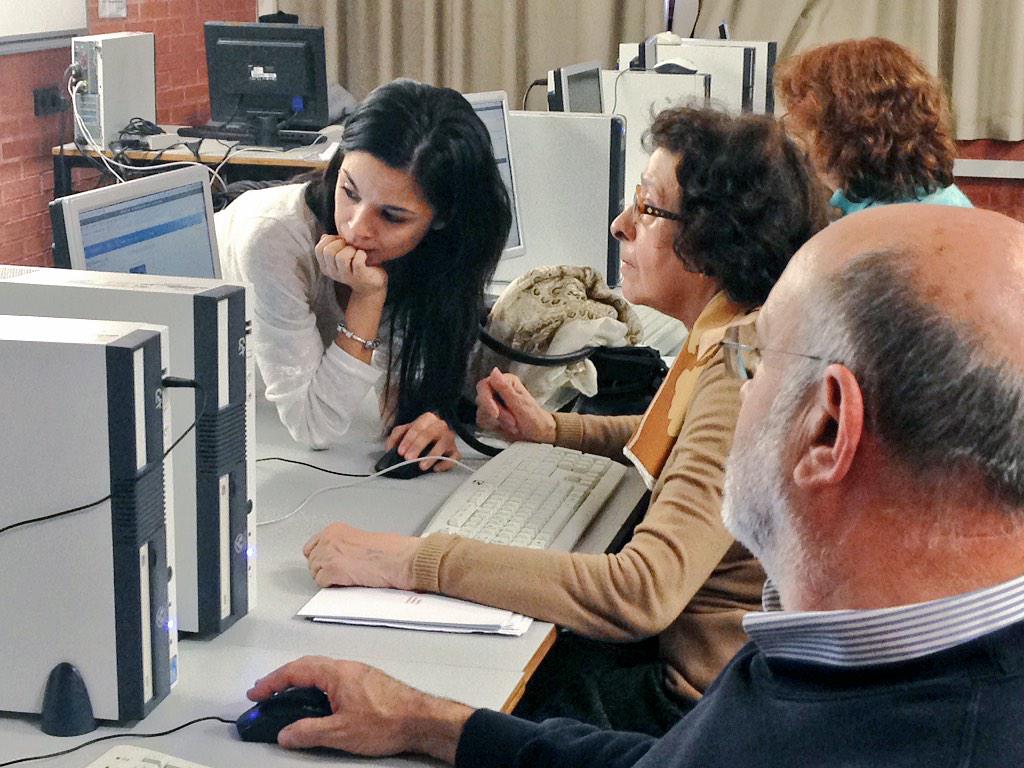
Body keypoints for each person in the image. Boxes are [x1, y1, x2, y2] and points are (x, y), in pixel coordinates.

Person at [246, 203, 1024, 767]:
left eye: (753, 365)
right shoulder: (871, 655)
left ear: (826, 431)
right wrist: (424, 719)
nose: (728, 397)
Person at [300, 106, 829, 734]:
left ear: (715, 238)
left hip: (688, 707)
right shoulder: (736, 326)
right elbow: (680, 444)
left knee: (438, 689)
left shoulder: (736, 373)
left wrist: (410, 562)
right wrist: (554, 432)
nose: (620, 224)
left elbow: (639, 592)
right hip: (717, 678)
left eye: (649, 210)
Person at [216, 79, 512, 464]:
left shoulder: (434, 255)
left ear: (441, 221)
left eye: (391, 216)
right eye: (349, 191)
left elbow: (402, 396)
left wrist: (430, 424)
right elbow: (313, 426)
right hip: (221, 418)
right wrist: (368, 298)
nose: (356, 228)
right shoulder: (273, 238)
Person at [775, 37, 973, 215]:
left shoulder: (909, 219)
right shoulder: (933, 200)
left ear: (847, 130)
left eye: (811, 128)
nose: (801, 142)